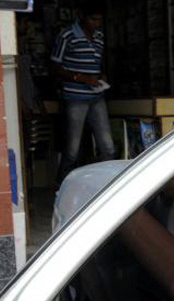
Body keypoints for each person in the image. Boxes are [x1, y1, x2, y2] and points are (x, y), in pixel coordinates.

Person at [51, 0, 115, 185]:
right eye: (93, 19)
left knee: (108, 147)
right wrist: (82, 78)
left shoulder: (99, 37)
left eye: (99, 20)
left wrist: (100, 75)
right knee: (72, 150)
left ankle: (108, 187)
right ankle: (60, 187)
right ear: (83, 17)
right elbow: (55, 67)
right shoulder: (67, 35)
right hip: (75, 97)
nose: (96, 23)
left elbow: (97, 63)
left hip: (97, 96)